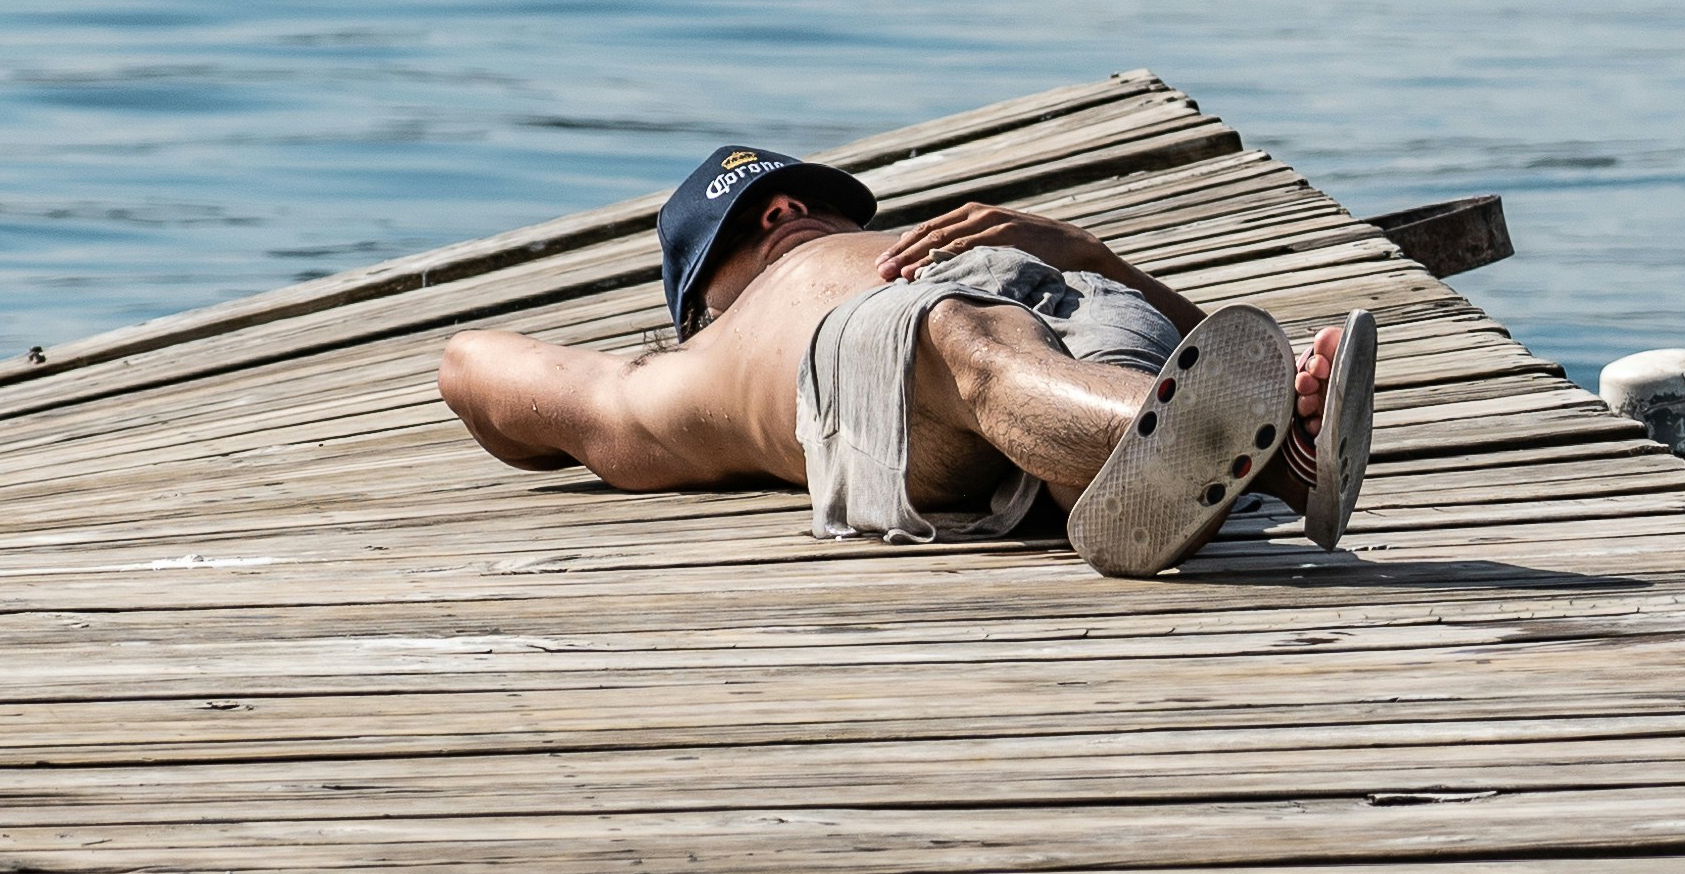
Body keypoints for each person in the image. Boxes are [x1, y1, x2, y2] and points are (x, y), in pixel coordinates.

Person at [436, 142, 1376, 578]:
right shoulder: (690, 367)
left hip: (1063, 304)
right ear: (700, 305)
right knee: (964, 344)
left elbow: (1215, 355)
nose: (783, 214)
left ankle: (1258, 465)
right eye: (750, 224)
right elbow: (468, 367)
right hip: (903, 346)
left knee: (1132, 376)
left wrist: (1087, 254)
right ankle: (1189, 452)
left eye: (811, 205)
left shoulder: (1040, 254)